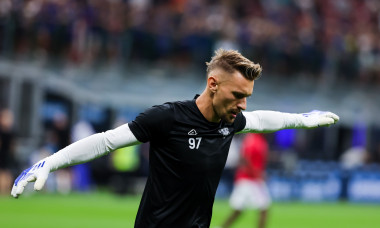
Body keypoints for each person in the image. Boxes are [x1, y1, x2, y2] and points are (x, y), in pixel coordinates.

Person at [11, 49, 339, 227]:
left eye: (248, 96)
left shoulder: (232, 120)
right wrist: (51, 161)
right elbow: (107, 141)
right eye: (238, 94)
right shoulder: (168, 117)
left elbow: (263, 120)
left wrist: (302, 119)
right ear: (213, 84)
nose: (243, 104)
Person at [221, 133, 271, 228]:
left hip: (246, 179)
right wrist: (257, 173)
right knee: (264, 209)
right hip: (250, 180)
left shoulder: (257, 139)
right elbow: (244, 158)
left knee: (238, 210)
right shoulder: (253, 140)